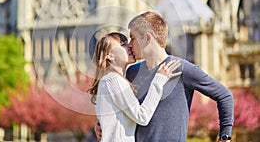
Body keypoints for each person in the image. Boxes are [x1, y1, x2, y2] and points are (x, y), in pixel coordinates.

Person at [95, 11, 234, 142]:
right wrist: (104, 123)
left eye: (132, 38)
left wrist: (225, 135)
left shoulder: (181, 68)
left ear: (147, 38)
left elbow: (224, 95)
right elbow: (123, 107)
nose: (130, 45)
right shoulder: (132, 72)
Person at [88, 32, 181, 142]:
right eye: (123, 45)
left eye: (128, 43)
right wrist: (159, 80)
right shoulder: (113, 80)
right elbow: (142, 117)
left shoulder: (110, 80)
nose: (130, 46)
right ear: (109, 55)